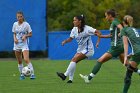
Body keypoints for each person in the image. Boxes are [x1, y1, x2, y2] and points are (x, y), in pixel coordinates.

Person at [80, 9, 140, 83]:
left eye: (106, 16)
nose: (105, 18)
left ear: (110, 16)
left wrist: (121, 33)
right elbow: (111, 35)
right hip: (119, 46)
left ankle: (88, 78)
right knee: (126, 64)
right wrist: (101, 36)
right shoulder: (113, 23)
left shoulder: (115, 22)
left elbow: (121, 28)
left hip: (116, 46)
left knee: (99, 61)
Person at [56, 15, 101, 83]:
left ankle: (65, 75)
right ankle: (70, 79)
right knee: (73, 61)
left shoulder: (87, 28)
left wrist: (97, 42)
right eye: (73, 20)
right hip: (80, 50)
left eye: (75, 20)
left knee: (74, 59)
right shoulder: (74, 29)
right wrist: (65, 41)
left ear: (80, 21)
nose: (73, 21)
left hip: (88, 50)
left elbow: (99, 32)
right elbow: (71, 38)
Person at [12, 11, 35, 80]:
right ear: (16, 17)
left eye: (21, 16)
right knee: (19, 61)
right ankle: (22, 75)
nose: (19, 18)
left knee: (26, 59)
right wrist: (15, 39)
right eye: (18, 17)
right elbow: (14, 33)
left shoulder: (26, 24)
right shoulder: (15, 24)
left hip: (24, 44)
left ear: (23, 17)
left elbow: (31, 34)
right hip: (16, 44)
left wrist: (26, 35)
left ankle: (32, 74)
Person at [121, 15, 140, 93]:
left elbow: (125, 44)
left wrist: (125, 57)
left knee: (128, 75)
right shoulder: (134, 29)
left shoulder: (124, 30)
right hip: (137, 52)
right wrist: (131, 54)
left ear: (123, 22)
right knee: (131, 68)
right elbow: (136, 43)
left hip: (137, 52)